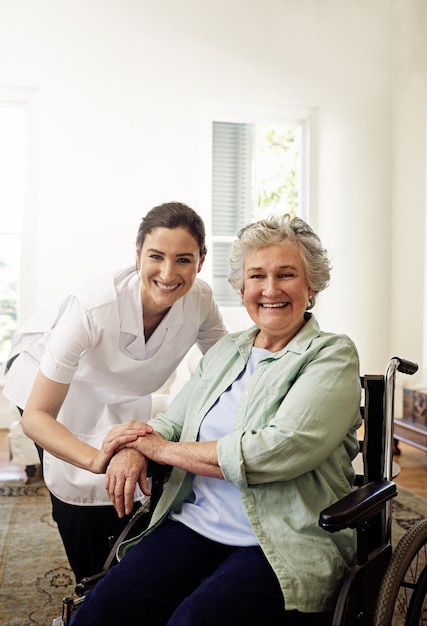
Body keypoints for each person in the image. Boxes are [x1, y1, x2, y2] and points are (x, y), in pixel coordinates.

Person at [69, 212, 362, 626]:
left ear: (311, 286)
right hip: (196, 524)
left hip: (281, 540)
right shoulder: (227, 352)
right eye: (257, 276)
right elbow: (173, 421)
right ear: (242, 288)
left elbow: (277, 451)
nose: (270, 289)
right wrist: (137, 447)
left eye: (287, 275)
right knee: (100, 614)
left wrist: (161, 449)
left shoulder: (331, 355)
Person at [2, 201, 227, 583]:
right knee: (81, 495)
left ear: (202, 261)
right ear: (137, 253)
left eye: (184, 260)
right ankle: (89, 586)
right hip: (51, 389)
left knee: (127, 495)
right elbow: (39, 417)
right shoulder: (93, 308)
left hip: (118, 392)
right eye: (156, 256)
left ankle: (123, 579)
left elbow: (229, 366)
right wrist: (94, 460)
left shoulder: (201, 300)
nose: (169, 273)